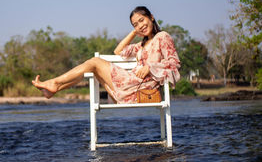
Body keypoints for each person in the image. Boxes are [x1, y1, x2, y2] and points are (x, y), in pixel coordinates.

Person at [32, 6, 180, 103]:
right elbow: (118, 51)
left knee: (95, 62)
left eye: (142, 20)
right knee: (94, 67)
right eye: (135, 24)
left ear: (151, 17)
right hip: (129, 89)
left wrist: (150, 67)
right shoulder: (141, 46)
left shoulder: (162, 37)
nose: (140, 25)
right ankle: (55, 88)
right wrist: (135, 31)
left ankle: (54, 84)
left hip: (143, 90)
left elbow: (174, 63)